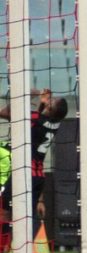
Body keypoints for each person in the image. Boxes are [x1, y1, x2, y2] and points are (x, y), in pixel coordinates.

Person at [0, 88, 68, 237]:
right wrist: (42, 104)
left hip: (24, 173)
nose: (49, 98)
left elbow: (4, 112)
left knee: (4, 213)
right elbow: (38, 122)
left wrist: (28, 94)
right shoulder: (55, 123)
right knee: (23, 218)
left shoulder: (36, 118)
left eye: (51, 101)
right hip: (38, 176)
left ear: (50, 108)